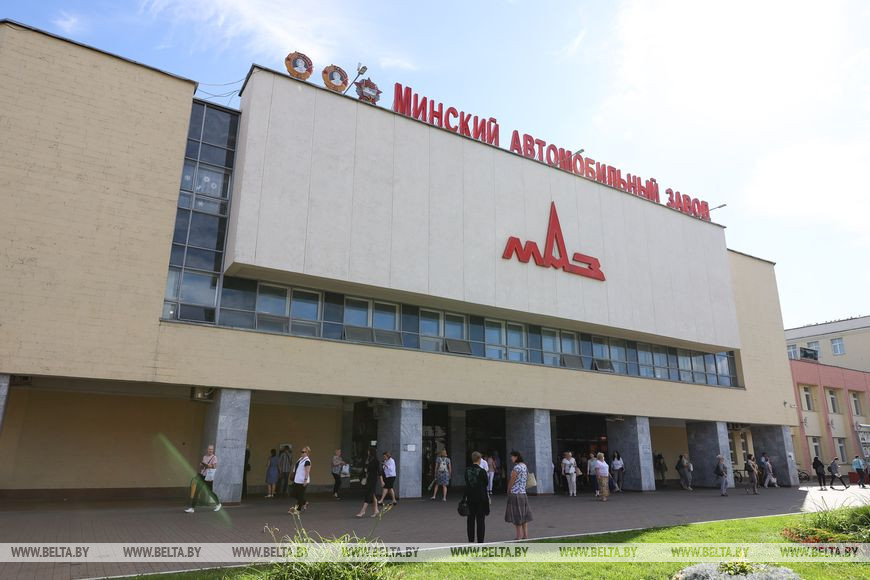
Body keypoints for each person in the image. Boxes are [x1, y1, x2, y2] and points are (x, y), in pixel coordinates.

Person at [505, 450, 533, 539]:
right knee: (524, 515)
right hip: (523, 493)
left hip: (515, 493)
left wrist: (508, 490)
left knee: (517, 515)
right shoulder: (524, 466)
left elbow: (512, 480)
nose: (511, 458)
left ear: (516, 457)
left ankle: (518, 536)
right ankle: (525, 535)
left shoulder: (516, 468)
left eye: (512, 456)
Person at [185, 444, 221, 513]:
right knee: (197, 491)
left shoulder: (214, 457)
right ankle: (192, 508)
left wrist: (206, 465)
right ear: (207, 450)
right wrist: (201, 465)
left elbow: (214, 466)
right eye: (209, 449)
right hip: (202, 476)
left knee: (210, 492)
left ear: (213, 450)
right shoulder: (205, 457)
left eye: (211, 449)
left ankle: (218, 504)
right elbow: (202, 467)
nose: (210, 450)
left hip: (208, 477)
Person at [465, 451, 490, 543]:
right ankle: (480, 541)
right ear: (479, 459)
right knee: (480, 521)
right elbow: (486, 483)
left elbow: (467, 482)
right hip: (481, 498)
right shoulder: (482, 471)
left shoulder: (467, 470)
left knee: (470, 521)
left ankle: (471, 541)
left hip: (470, 498)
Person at [356, 448, 381, 518]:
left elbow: (379, 471)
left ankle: (362, 511)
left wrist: (382, 481)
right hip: (369, 479)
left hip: (373, 480)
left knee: (368, 494)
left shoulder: (376, 461)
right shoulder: (369, 459)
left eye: (369, 451)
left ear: (371, 452)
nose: (368, 452)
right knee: (373, 495)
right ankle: (376, 511)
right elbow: (366, 469)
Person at [288, 446, 311, 514]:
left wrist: (305, 480)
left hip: (302, 481)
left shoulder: (307, 461)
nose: (302, 453)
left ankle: (298, 509)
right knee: (293, 493)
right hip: (297, 480)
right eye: (301, 451)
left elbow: (307, 472)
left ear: (307, 453)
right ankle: (304, 502)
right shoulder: (300, 459)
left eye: (303, 452)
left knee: (300, 495)